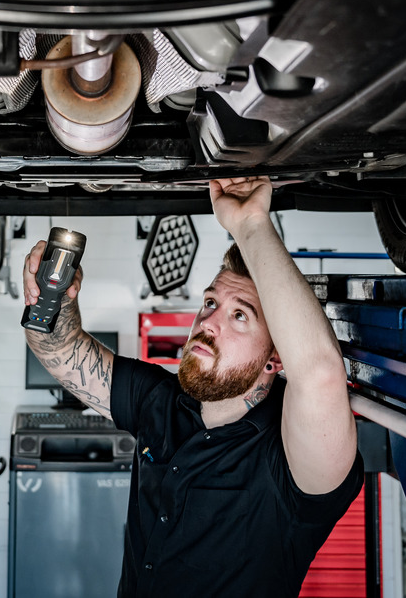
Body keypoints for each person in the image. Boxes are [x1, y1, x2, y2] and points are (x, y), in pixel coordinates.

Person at [22, 175, 362, 598]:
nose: (208, 322)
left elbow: (321, 374)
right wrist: (54, 300)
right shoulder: (160, 401)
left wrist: (251, 225)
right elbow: (62, 348)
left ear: (275, 359)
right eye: (211, 302)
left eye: (240, 315)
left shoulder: (291, 459)